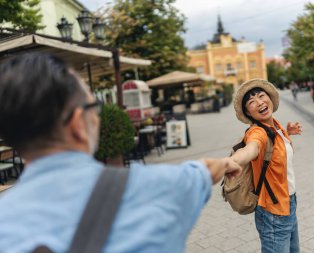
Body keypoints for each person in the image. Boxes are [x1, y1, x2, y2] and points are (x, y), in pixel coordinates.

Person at [0, 53, 241, 253]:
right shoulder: (161, 186)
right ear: (77, 124)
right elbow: (205, 171)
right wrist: (227, 163)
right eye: (94, 106)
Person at [230, 79, 302, 253]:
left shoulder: (274, 125)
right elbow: (252, 148)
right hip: (273, 212)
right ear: (248, 113)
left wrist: (287, 132)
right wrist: (232, 162)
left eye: (262, 96)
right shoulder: (257, 132)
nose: (259, 102)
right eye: (251, 102)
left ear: (270, 98)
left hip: (288, 203)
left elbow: (277, 153)